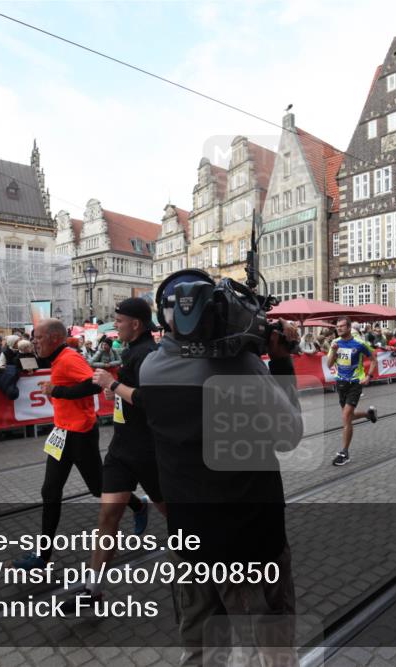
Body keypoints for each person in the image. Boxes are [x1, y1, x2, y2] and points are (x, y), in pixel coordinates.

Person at [111, 269, 303, 666]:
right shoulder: (246, 369)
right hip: (250, 537)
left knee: (200, 647)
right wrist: (279, 361)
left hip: (189, 537)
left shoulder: (151, 370)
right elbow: (290, 435)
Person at [67, 298, 168, 604]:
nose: (116, 326)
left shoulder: (150, 354)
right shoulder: (131, 351)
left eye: (119, 321)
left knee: (175, 516)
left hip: (149, 451)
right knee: (108, 514)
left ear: (135, 324)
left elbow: (150, 400)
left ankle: (205, 567)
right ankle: (93, 590)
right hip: (122, 448)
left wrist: (112, 384)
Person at [14, 319, 103, 570]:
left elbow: (95, 384)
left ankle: (138, 506)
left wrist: (57, 391)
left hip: (81, 433)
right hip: (62, 432)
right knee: (50, 492)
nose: (34, 342)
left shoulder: (69, 357)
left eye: (39, 338)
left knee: (99, 488)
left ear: (54, 338)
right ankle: (43, 556)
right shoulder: (56, 359)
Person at [325, 316, 378, 466]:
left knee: (346, 416)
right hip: (341, 383)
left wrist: (368, 376)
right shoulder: (335, 343)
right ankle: (369, 414)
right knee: (348, 416)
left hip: (355, 383)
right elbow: (329, 365)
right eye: (337, 327)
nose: (339, 329)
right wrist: (334, 352)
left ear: (348, 328)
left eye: (342, 326)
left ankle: (344, 452)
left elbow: (374, 359)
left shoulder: (360, 343)